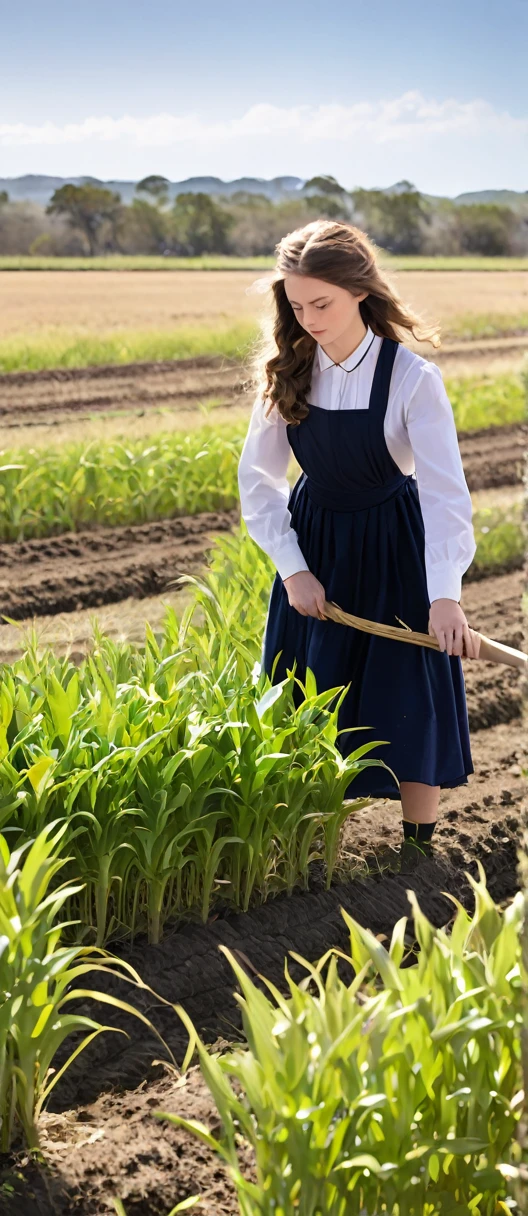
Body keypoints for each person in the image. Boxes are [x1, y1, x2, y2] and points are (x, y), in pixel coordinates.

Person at [237, 219, 481, 862]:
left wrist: (445, 596)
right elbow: (257, 483)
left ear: (360, 292)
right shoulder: (286, 372)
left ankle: (416, 854)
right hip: (316, 545)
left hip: (395, 546)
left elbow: (444, 493)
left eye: (323, 303)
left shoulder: (411, 379)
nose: (310, 318)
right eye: (296, 306)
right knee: (309, 694)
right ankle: (305, 850)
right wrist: (293, 570)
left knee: (408, 689)